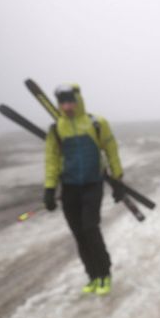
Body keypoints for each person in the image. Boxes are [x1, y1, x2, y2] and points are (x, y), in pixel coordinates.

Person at [43, 84, 126, 295]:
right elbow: (51, 161)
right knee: (79, 234)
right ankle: (93, 276)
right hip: (69, 188)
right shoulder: (56, 129)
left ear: (78, 101)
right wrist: (50, 189)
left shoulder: (96, 123)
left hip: (92, 185)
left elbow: (111, 150)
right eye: (63, 102)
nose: (67, 106)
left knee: (90, 228)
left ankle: (104, 273)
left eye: (70, 101)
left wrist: (118, 181)